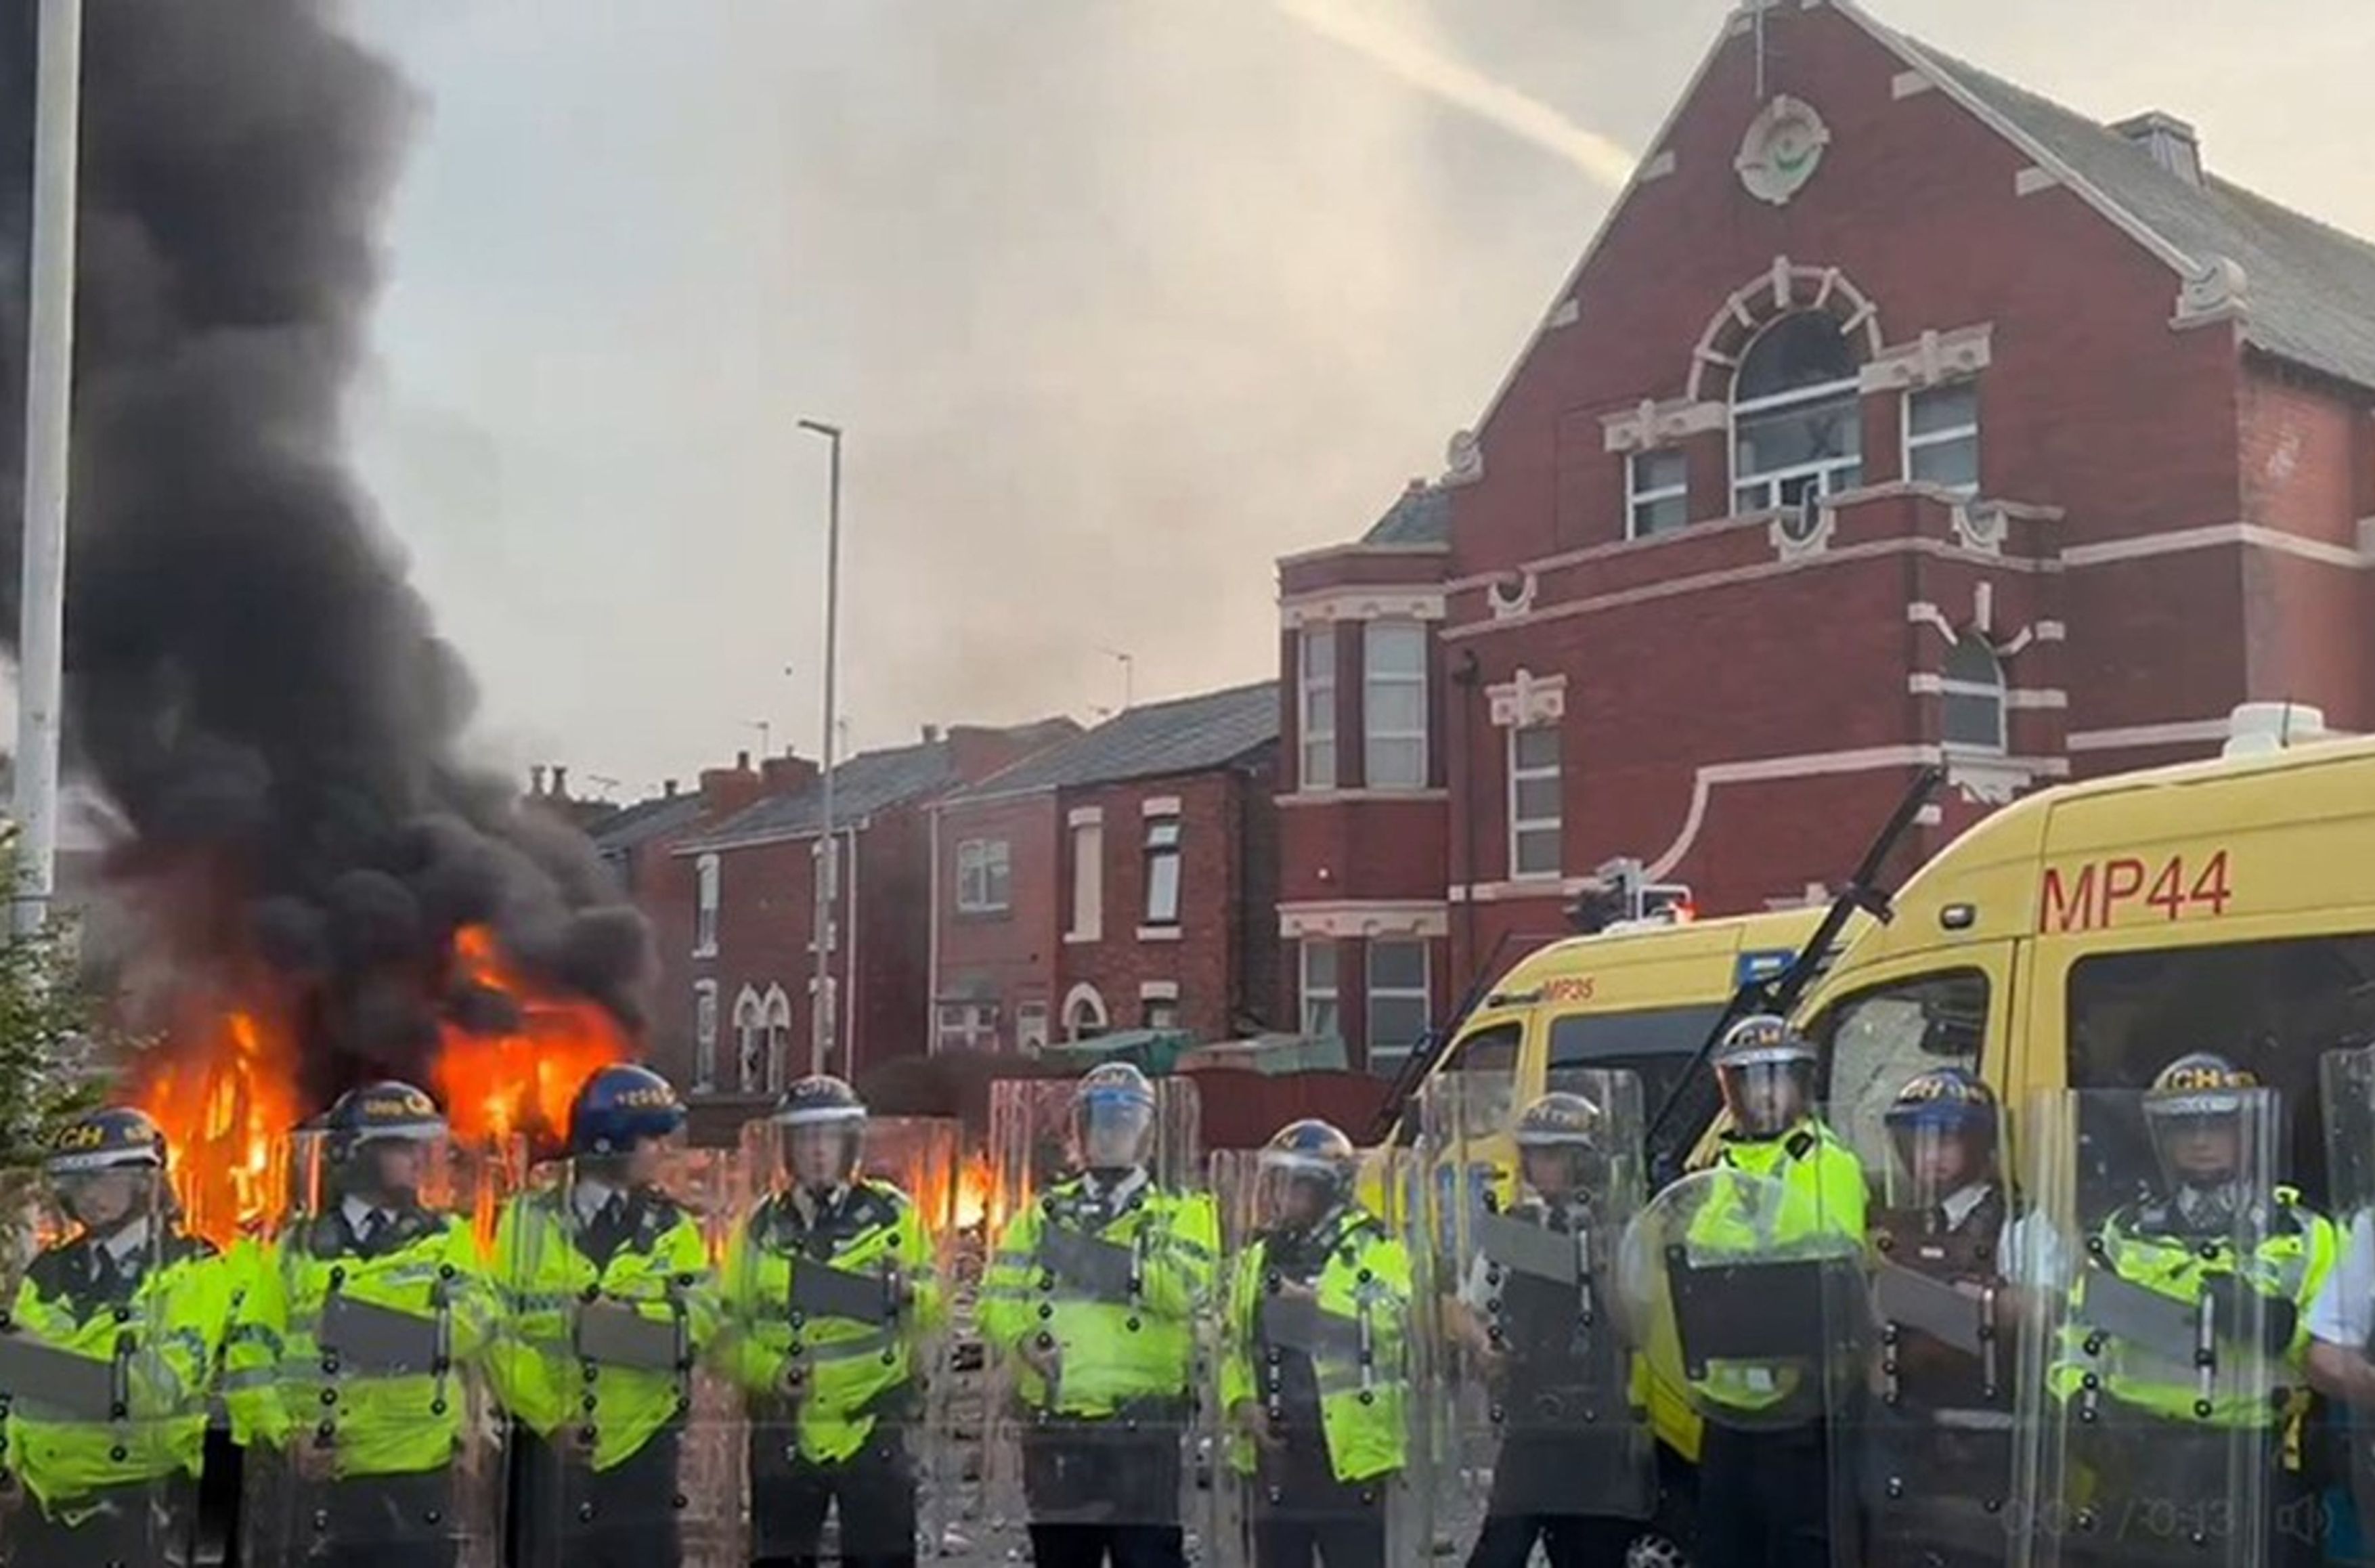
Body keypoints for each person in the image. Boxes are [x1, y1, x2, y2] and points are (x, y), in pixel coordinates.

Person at [2033, 1051, 2333, 1567]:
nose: (2200, 1141)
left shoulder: (2306, 1234)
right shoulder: (2124, 1231)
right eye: (2184, 1127)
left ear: (2247, 1131)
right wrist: (2080, 1408)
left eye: (2217, 1125)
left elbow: (2337, 1351)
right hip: (2137, 1458)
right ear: (2161, 1139)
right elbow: (2077, 1341)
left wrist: (2280, 1328)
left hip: (2252, 1462)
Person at [223, 1079, 499, 1568]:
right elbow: (250, 1351)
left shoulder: (445, 1237)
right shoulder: (296, 1248)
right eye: (401, 1146)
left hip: (420, 1466)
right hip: (321, 1470)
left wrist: (359, 1329)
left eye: (422, 1146)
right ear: (356, 1154)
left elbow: (475, 1323)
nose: (419, 1160)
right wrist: (284, 1434)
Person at [978, 1062, 1218, 1568]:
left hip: (1143, 1425)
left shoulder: (1183, 1212)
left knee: (1147, 1560)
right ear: (1081, 1134)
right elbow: (995, 1298)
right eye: (1100, 1124)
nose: (1110, 1136)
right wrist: (1022, 1337)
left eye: (1123, 1125)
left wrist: (1088, 1257)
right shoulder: (1042, 1212)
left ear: (1146, 1137)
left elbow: (1182, 1293)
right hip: (1056, 1423)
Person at [491, 1062, 718, 1568]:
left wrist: (620, 1319)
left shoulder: (674, 1228)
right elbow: (498, 1335)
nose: (662, 1150)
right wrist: (551, 1418)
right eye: (650, 1138)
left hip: (643, 1449)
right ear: (608, 1141)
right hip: (547, 1454)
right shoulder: (527, 1222)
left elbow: (699, 1324)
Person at [720, 1074, 942, 1568]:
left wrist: (909, 1294)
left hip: (873, 1425)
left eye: (828, 1137)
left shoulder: (892, 1215)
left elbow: (935, 1307)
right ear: (788, 1149)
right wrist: (772, 1372)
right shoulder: (759, 1227)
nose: (818, 1152)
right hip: (787, 1428)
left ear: (850, 1144)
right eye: (805, 1139)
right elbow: (724, 1331)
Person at [0, 1107, 231, 1567]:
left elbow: (154, 1391)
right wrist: (7, 1472)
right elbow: (11, 1392)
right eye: (78, 1182)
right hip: (42, 1510)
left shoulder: (196, 1267)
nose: (89, 1194)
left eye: (104, 1179)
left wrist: (32, 1361)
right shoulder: (50, 1271)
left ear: (145, 1181)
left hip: (146, 1508)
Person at [1684, 1014, 1868, 1568]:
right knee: (1722, 1550)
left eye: (1779, 1079)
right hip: (1726, 1405)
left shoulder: (1827, 1163)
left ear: (1801, 1084)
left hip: (1799, 1404)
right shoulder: (1717, 1167)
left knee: (1800, 1549)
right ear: (1731, 1090)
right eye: (1751, 1081)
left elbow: (1832, 1278)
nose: (1766, 1095)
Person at [1447, 1090, 1645, 1568]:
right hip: (1532, 1418)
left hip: (1600, 1424)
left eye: (1551, 1153)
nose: (1538, 1166)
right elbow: (1462, 1308)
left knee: (1591, 1554)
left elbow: (1638, 1328)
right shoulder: (1518, 1228)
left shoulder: (1623, 1228)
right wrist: (1485, 1346)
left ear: (1585, 1160)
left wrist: (1600, 1264)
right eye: (1532, 1153)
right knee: (1501, 1550)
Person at [1217, 1118, 1412, 1568]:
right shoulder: (1258, 1256)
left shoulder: (1374, 1246)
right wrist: (1241, 1403)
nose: (1279, 1195)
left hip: (1348, 1457)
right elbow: (1231, 1341)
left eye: (1293, 1183)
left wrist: (1313, 1303)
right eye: (1275, 1181)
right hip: (1275, 1455)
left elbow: (1393, 1323)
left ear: (1326, 1189)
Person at [1862, 1066, 2013, 1568]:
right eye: (1919, 1141)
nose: (1930, 1156)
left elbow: (2048, 1313)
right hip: (1905, 1426)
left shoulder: (2018, 1222)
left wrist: (1976, 1299)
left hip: (1985, 1431)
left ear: (1981, 1144)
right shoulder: (1903, 1225)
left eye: (1947, 1140)